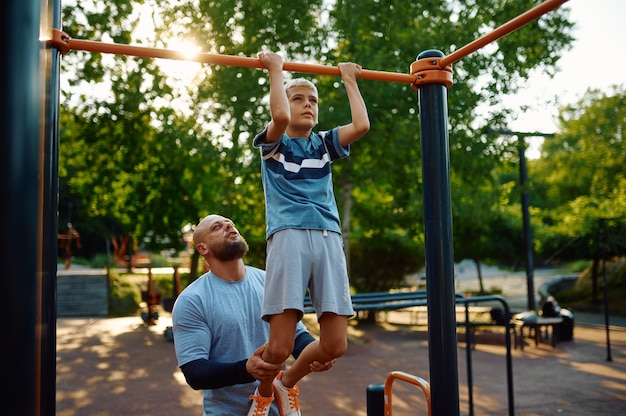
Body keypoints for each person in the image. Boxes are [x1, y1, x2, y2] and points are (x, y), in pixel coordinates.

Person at [252, 51, 370, 416]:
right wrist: (276, 71)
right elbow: (280, 117)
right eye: (298, 98)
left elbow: (361, 125)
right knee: (279, 346)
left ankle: (287, 384)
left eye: (313, 100)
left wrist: (349, 79)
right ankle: (263, 394)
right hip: (288, 235)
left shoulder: (323, 144)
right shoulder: (274, 145)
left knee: (336, 345)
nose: (307, 105)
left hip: (327, 237)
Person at [172, 214, 332, 416]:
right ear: (203, 248)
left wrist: (316, 354)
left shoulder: (268, 281)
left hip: (279, 410)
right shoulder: (193, 300)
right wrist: (245, 369)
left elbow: (296, 335)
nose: (229, 226)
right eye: (217, 227)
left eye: (231, 223)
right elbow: (195, 372)